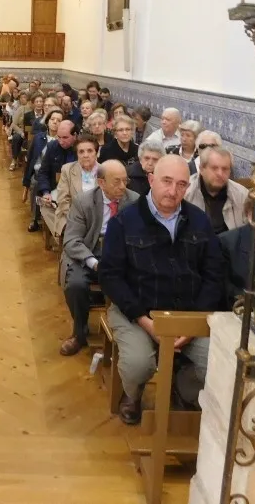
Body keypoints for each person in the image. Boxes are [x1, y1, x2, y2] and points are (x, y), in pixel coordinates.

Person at [99, 155, 224, 425]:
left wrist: (192, 324)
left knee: (219, 364)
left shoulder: (199, 221)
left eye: (181, 184)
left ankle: (183, 384)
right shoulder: (124, 221)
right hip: (138, 313)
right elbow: (110, 276)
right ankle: (133, 394)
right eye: (166, 181)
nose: (173, 190)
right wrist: (145, 321)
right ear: (151, 180)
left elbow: (214, 275)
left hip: (188, 314)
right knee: (137, 365)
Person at [61, 160, 139, 355]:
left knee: (137, 283)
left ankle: (127, 336)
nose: (123, 186)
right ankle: (79, 333)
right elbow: (72, 240)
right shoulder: (83, 201)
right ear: (101, 182)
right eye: (116, 181)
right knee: (75, 285)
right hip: (89, 253)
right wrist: (94, 263)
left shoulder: (135, 200)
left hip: (122, 257)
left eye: (125, 180)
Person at [184, 147, 248, 235]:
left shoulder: (242, 196)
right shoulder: (185, 191)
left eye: (225, 169)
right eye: (214, 168)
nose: (220, 174)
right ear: (201, 169)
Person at [23, 109, 63, 232]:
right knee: (36, 183)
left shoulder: (63, 140)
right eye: (52, 119)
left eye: (59, 120)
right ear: (47, 121)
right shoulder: (38, 138)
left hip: (56, 175)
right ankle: (35, 219)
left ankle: (55, 221)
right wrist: (26, 183)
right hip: (39, 173)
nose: (55, 122)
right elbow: (31, 159)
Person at [35, 120, 78, 236]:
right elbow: (43, 172)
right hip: (56, 189)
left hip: (76, 193)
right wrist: (46, 192)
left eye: (65, 137)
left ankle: (65, 232)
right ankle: (62, 231)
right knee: (44, 206)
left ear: (75, 135)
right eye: (59, 137)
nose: (61, 141)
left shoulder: (82, 148)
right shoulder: (52, 146)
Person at [54, 135, 101, 238]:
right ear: (77, 154)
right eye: (81, 152)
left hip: (98, 218)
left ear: (96, 153)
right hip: (71, 216)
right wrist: (79, 219)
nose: (85, 155)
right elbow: (63, 200)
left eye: (90, 151)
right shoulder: (67, 170)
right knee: (77, 234)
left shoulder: (104, 171)